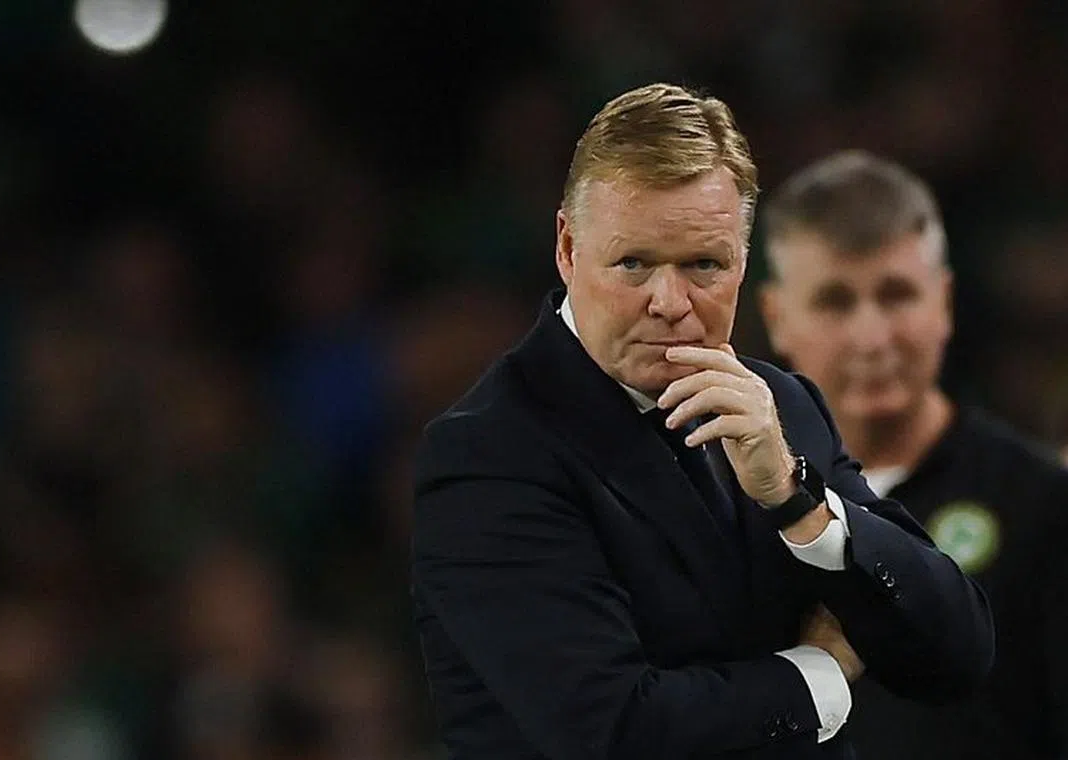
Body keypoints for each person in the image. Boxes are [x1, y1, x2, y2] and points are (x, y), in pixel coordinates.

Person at [411, 83, 994, 760]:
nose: (669, 301)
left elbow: (958, 653)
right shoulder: (488, 455)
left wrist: (799, 500)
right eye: (633, 263)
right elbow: (612, 731)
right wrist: (823, 675)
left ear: (744, 264)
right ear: (568, 249)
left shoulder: (782, 408)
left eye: (703, 265)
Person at [758, 149, 1068, 759]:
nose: (872, 337)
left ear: (944, 302)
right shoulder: (734, 507)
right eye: (835, 301)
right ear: (776, 317)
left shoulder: (1043, 506)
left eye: (896, 295)